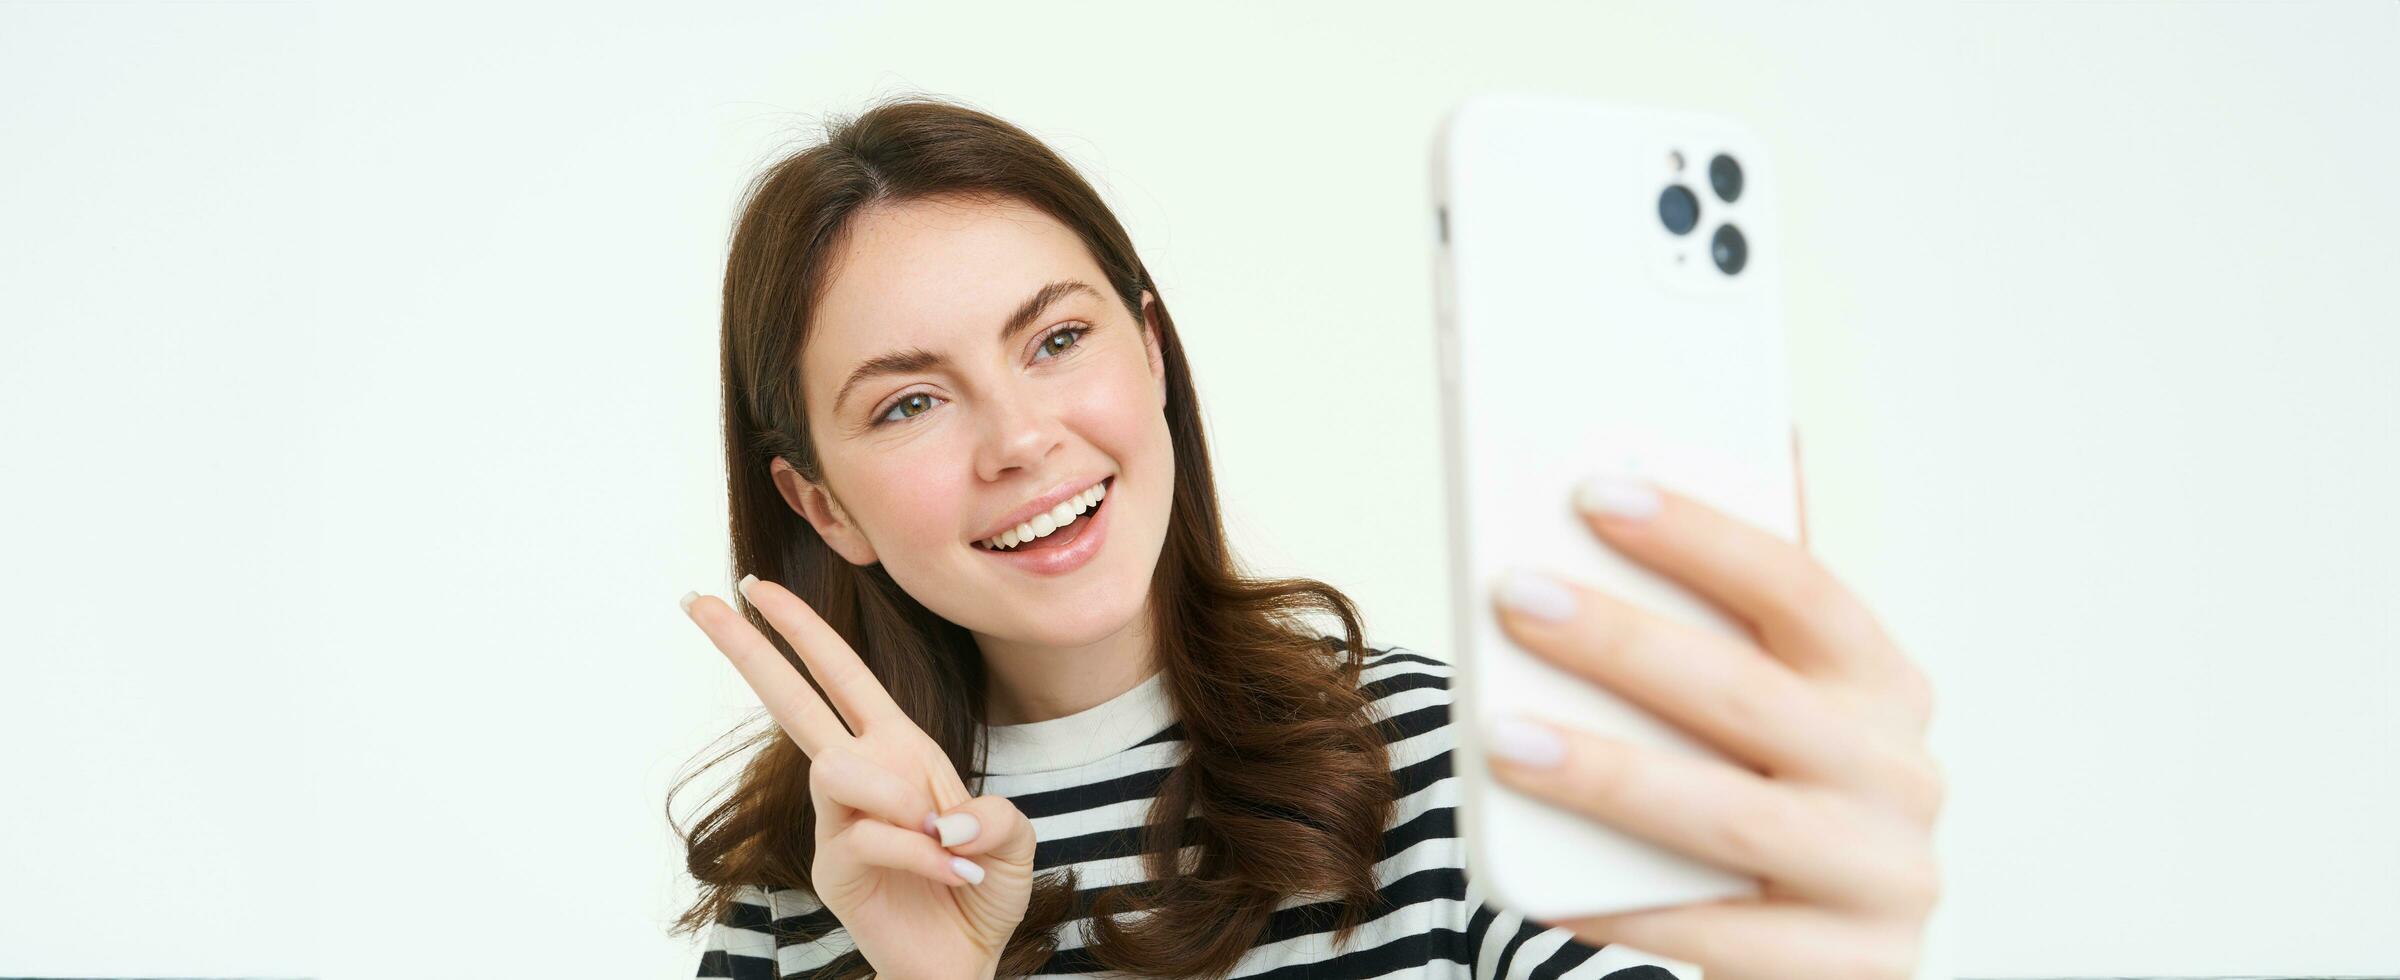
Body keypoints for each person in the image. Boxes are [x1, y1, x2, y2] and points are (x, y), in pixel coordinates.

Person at [669, 94, 1941, 980]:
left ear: (1152, 354)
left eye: (1057, 338)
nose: (1017, 438)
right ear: (823, 505)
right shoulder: (796, 896)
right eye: (909, 401)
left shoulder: (1436, 764)